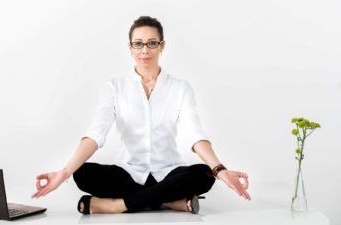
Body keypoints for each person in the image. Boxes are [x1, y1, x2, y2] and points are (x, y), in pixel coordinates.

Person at [32, 16, 251, 214]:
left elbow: (195, 134)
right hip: (129, 172)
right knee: (83, 173)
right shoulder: (114, 86)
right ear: (130, 48)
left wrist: (220, 170)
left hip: (169, 171)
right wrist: (64, 172)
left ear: (162, 46)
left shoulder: (180, 87)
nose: (144, 50)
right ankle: (168, 202)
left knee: (203, 173)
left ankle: (117, 205)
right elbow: (95, 134)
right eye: (138, 44)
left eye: (151, 43)